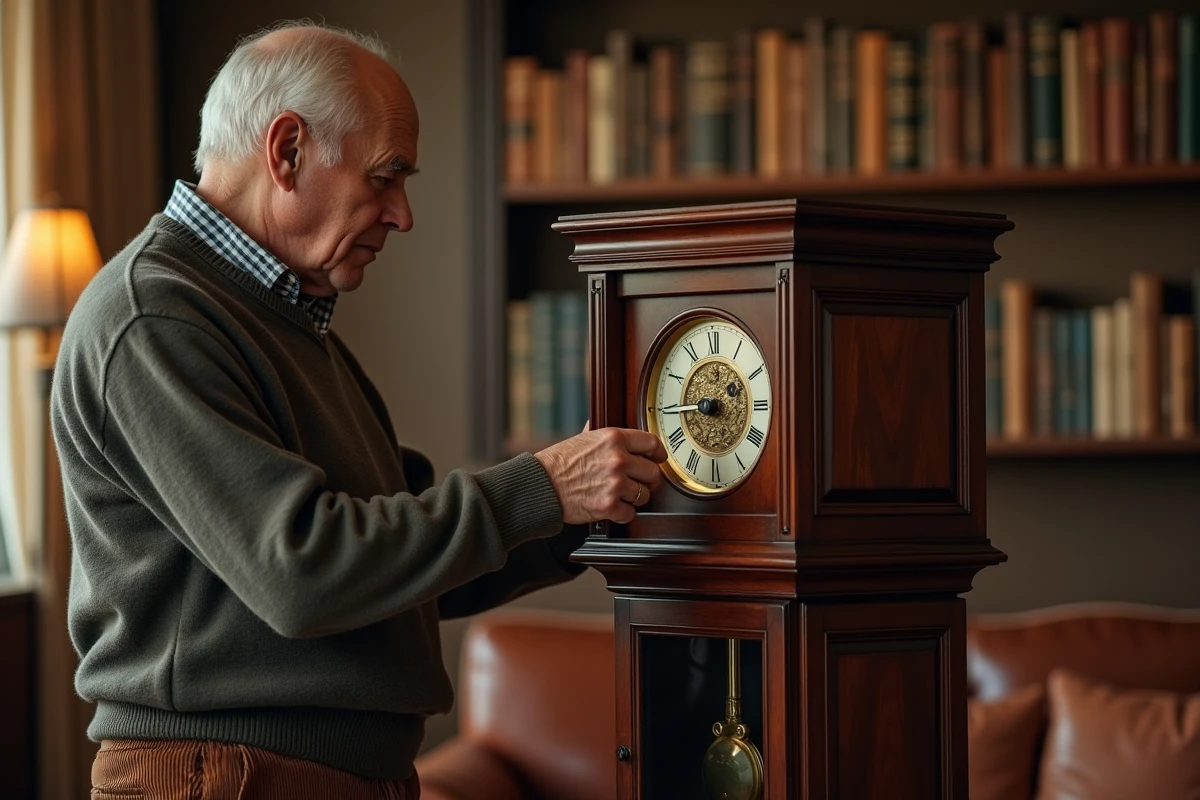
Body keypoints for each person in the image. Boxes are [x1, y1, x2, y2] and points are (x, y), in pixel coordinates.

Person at [50, 20, 668, 799]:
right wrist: (543, 486)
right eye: (385, 177)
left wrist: (581, 510)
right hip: (229, 779)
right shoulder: (153, 318)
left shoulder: (283, 322)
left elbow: (405, 568)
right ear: (287, 152)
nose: (403, 215)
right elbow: (305, 572)